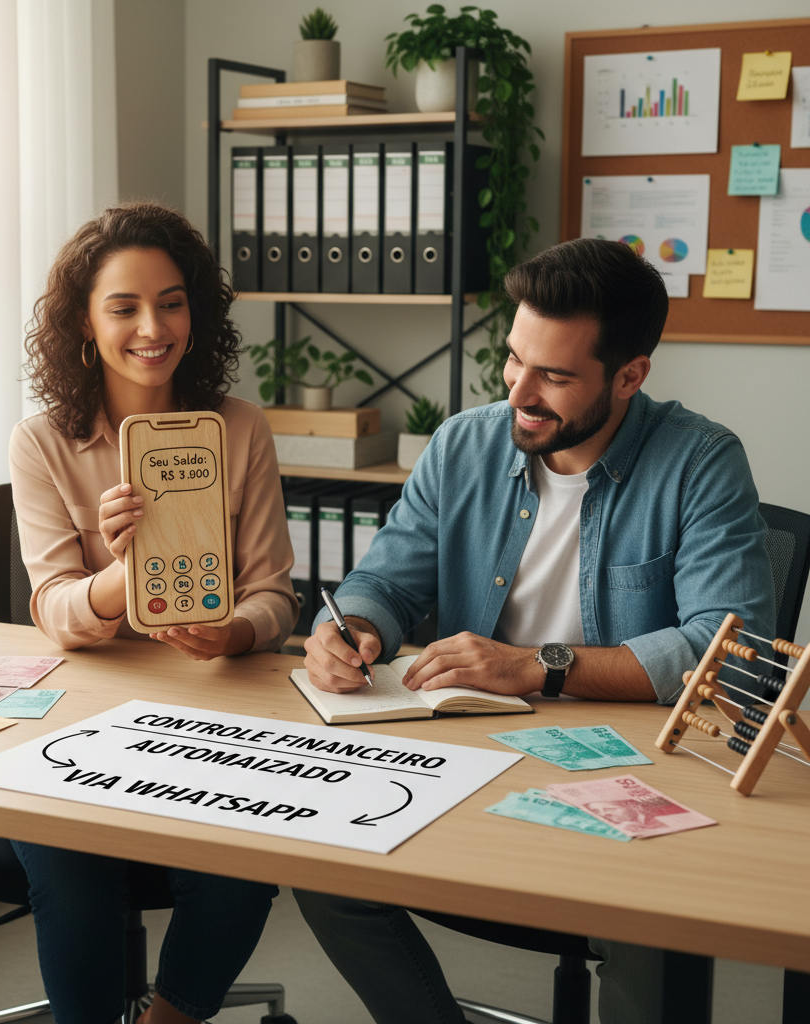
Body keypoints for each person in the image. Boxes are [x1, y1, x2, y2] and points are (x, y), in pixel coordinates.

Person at [296, 237, 774, 1024]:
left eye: (554, 375)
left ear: (630, 376)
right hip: (467, 750)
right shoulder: (463, 445)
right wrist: (348, 629)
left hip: (629, 770)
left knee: (652, 920)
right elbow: (384, 581)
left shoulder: (702, 462)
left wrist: (536, 666)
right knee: (322, 864)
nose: (520, 390)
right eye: (514, 360)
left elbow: (733, 655)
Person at [9, 201, 299, 1024]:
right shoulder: (42, 443)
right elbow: (54, 606)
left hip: (212, 707)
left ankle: (167, 1018)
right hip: (84, 714)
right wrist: (122, 576)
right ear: (83, 320)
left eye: (172, 301)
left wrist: (234, 629)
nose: (152, 326)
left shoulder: (238, 430)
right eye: (124, 306)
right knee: (67, 863)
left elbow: (276, 594)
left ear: (196, 313)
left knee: (246, 859)